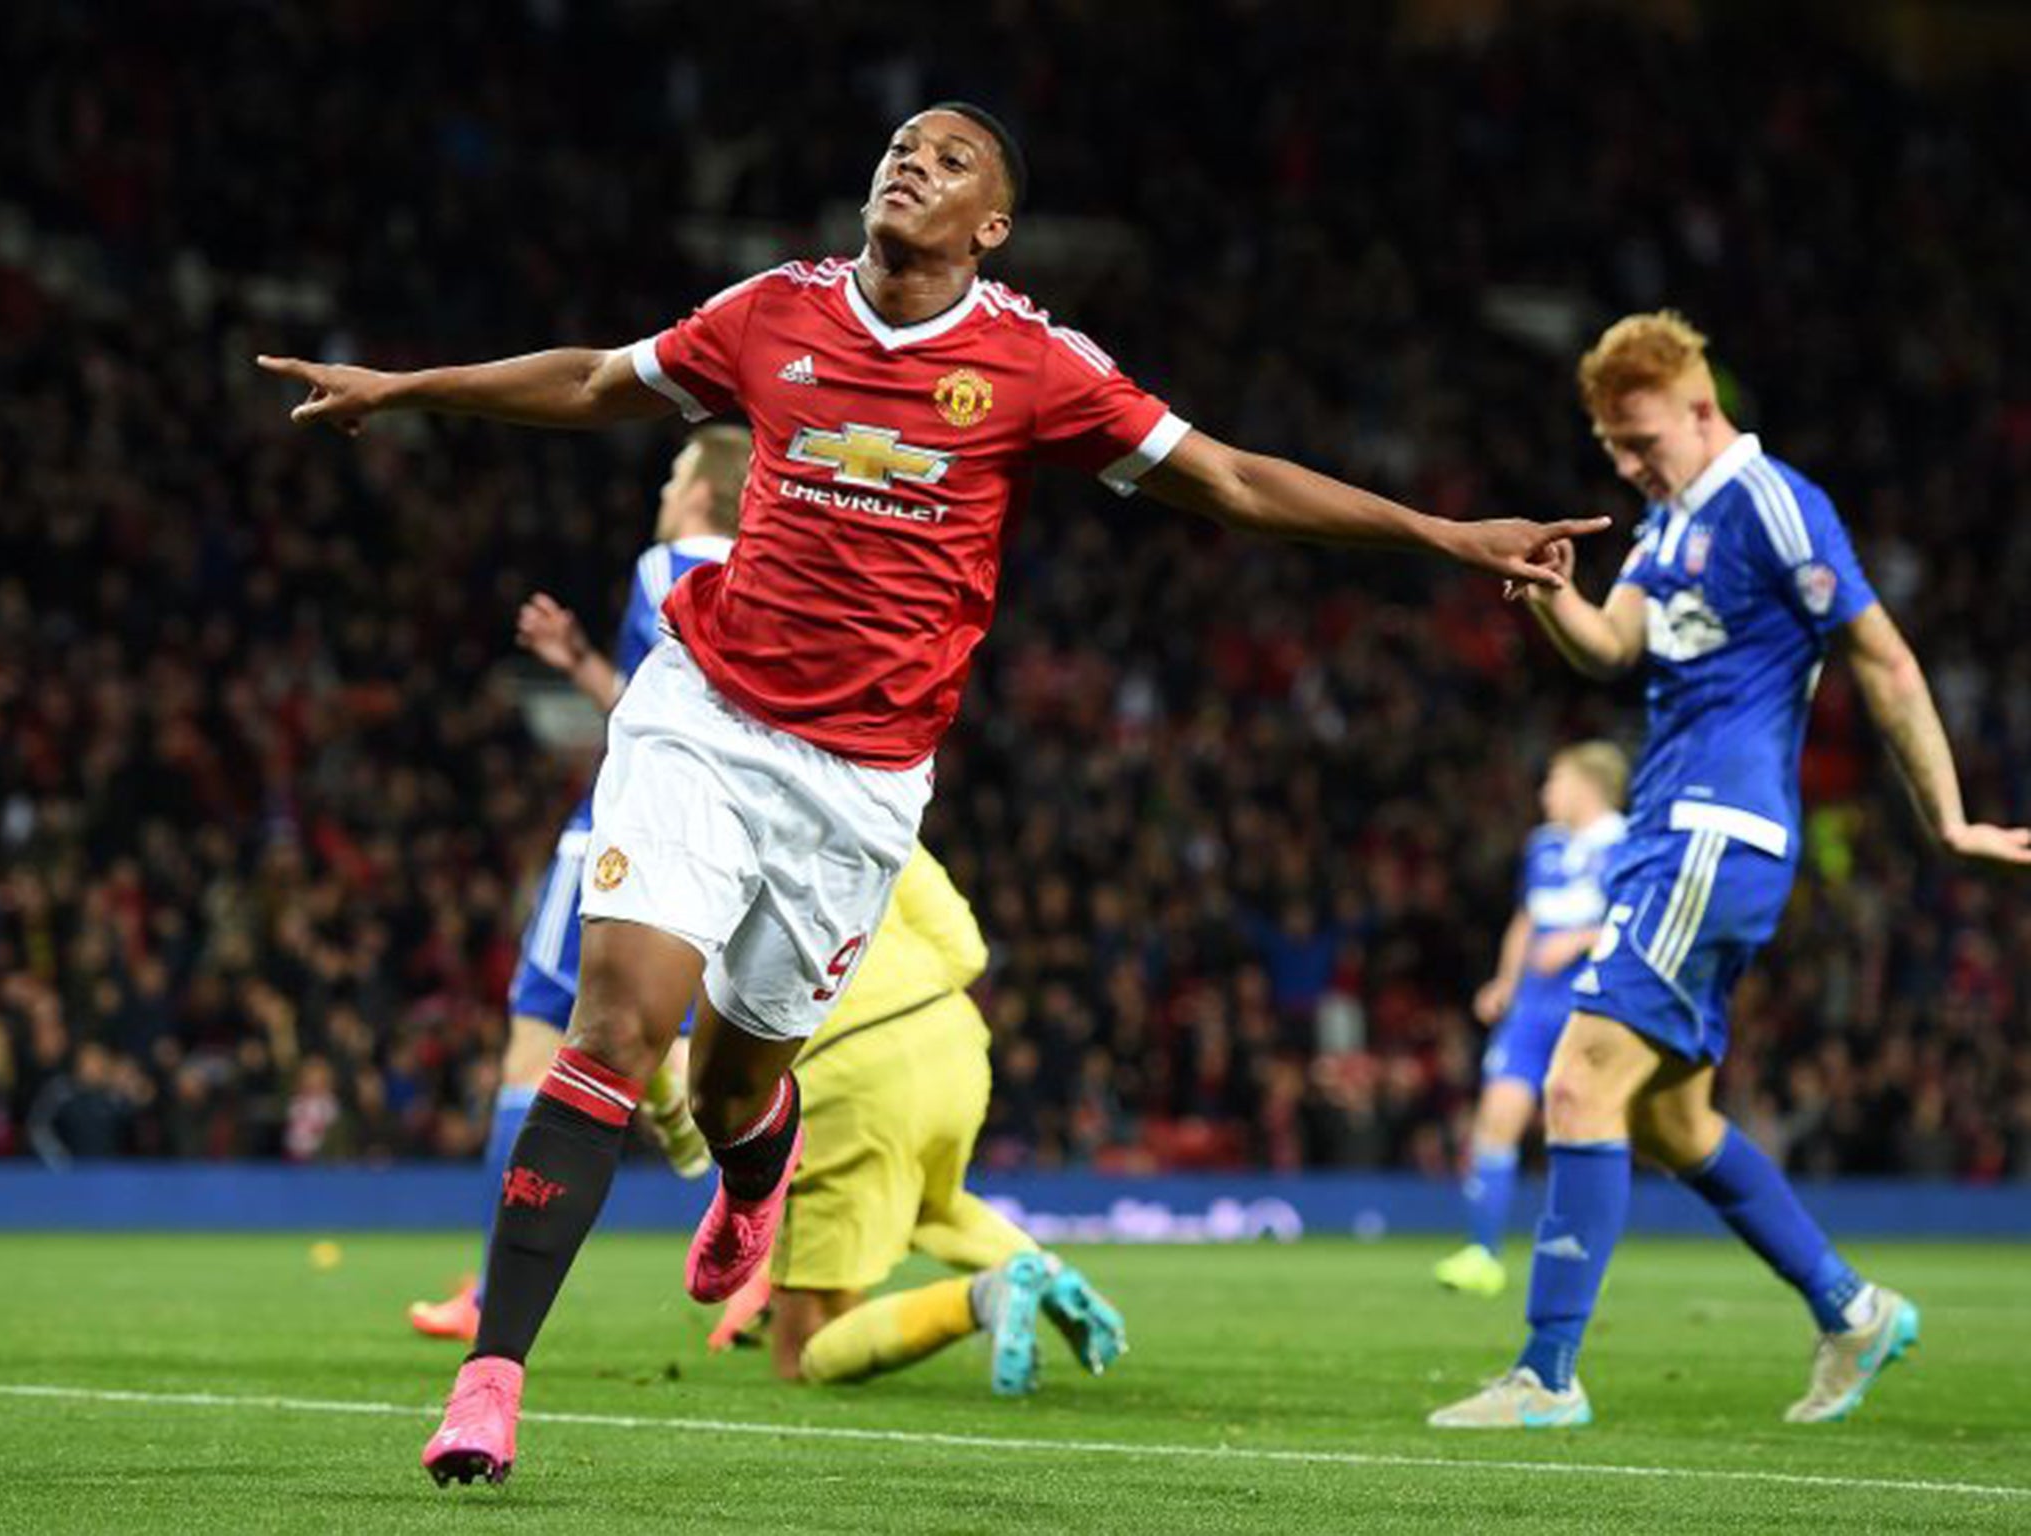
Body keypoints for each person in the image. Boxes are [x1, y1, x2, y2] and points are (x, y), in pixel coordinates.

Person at [259, 101, 1608, 1487]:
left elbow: (1229, 478)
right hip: (702, 714)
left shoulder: (1032, 361)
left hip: (859, 788)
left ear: (993, 226)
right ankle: (492, 1382)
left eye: (953, 160)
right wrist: (407, 387)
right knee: (611, 1026)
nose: (915, 163)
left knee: (733, 1083)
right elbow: (604, 380)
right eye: (904, 146)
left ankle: (755, 1158)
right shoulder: (773, 311)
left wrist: (1445, 535)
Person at [1429, 312, 2031, 1431]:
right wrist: (1550, 592)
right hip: (1671, 832)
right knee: (1665, 1124)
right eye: (1608, 445)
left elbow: (1883, 660)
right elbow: (1612, 650)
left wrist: (1947, 823)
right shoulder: (1668, 523)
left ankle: (1545, 1375)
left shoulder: (1772, 505)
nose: (1623, 463)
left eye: (1639, 440)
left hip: (1716, 830)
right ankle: (1850, 1310)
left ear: (1702, 411)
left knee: (1575, 1081)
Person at [408, 426, 749, 1342]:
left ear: (703, 493)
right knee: (693, 1067)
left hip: (614, 840)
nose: (666, 486)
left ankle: (490, 1294)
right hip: (716, 850)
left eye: (676, 472)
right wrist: (583, 666)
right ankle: (763, 1262)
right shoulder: (778, 584)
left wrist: (593, 669)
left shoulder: (667, 564)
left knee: (533, 1054)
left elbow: (652, 709)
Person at [699, 841, 1125, 1395]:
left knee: (801, 1352)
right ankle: (1040, 1270)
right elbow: (966, 951)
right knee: (929, 1206)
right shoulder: (866, 805)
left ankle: (984, 1295)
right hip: (950, 1043)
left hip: (843, 1070)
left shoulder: (710, 817)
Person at [1434, 741, 1627, 1298]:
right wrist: (1504, 981)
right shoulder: (1543, 846)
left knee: (1579, 1129)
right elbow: (1525, 919)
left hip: (1589, 1007)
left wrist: (1579, 940)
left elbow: (1636, 920)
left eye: (1554, 781)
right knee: (1496, 1118)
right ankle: (1482, 1255)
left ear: (1587, 786)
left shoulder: (1627, 845)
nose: (1545, 792)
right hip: (1532, 1008)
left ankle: (1585, 1255)